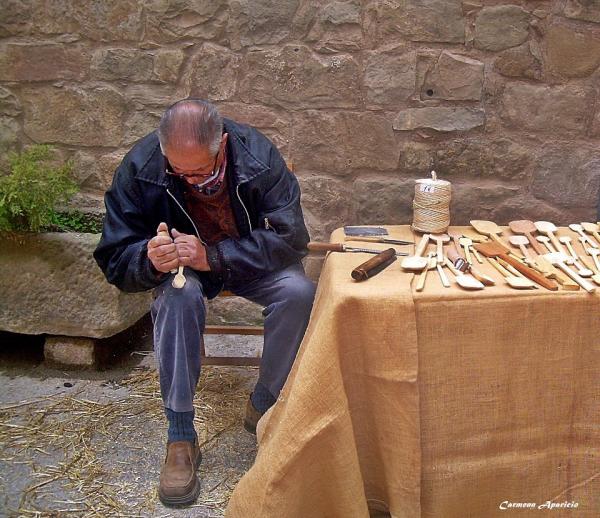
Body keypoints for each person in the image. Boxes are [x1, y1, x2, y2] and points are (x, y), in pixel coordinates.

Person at [94, 99, 316, 506]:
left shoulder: (258, 156)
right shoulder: (141, 166)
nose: (191, 180)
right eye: (179, 172)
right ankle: (180, 435)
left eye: (201, 171)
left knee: (299, 294)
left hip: (245, 259)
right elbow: (113, 257)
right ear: (163, 151)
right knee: (178, 297)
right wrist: (147, 257)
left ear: (224, 144)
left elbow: (292, 238)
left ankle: (263, 403)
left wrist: (213, 256)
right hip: (183, 268)